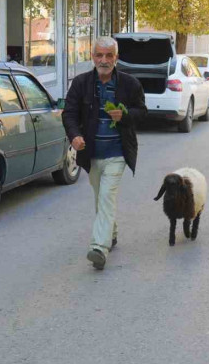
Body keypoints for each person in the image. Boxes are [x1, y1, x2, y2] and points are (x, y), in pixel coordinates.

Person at [62, 36, 147, 271]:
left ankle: (99, 247)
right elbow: (69, 114)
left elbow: (143, 111)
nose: (104, 60)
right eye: (99, 55)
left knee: (107, 197)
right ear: (92, 57)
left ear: (116, 58)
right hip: (92, 155)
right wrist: (75, 136)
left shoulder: (129, 84)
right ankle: (112, 231)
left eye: (109, 55)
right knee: (101, 198)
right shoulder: (81, 83)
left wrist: (126, 115)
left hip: (118, 153)